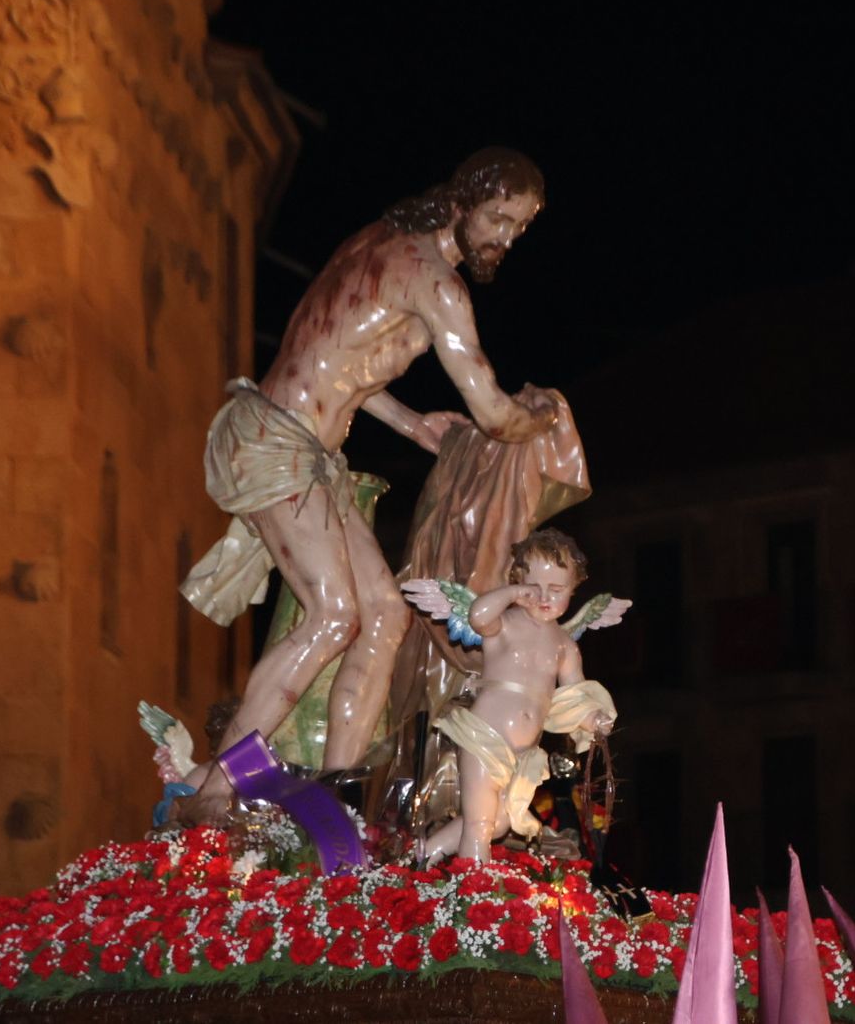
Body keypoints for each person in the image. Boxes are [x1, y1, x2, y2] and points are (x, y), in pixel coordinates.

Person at [180, 148, 559, 816]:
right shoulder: (437, 283)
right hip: (275, 440)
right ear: (463, 201)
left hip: (308, 453)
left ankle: (335, 807)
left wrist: (411, 424)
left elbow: (342, 359)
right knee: (333, 616)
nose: (505, 237)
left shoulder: (384, 240)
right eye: (498, 217)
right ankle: (218, 789)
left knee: (384, 615)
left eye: (521, 227)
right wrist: (543, 418)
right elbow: (495, 412)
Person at [419, 529, 615, 864]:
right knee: (480, 822)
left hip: (524, 754)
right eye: (533, 586)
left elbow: (573, 695)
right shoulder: (505, 623)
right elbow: (477, 616)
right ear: (517, 582)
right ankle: (475, 892)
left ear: (574, 590)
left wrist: (594, 718)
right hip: (484, 734)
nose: (543, 596)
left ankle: (424, 854)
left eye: (556, 589)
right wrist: (511, 595)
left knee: (498, 823)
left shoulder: (564, 645)